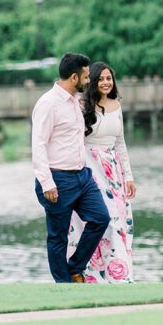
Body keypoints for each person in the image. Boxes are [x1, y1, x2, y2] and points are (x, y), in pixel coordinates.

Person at [32, 53, 110, 283]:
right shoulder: (48, 103)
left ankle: (74, 268)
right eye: (86, 77)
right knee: (58, 237)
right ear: (74, 77)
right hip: (58, 179)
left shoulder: (75, 101)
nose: (89, 81)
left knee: (100, 218)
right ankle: (63, 284)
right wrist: (47, 182)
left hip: (82, 177)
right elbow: (38, 145)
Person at [67, 62, 137, 283]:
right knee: (97, 221)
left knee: (117, 221)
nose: (106, 82)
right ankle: (89, 274)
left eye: (109, 78)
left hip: (113, 171)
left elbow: (121, 143)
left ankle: (119, 275)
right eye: (101, 79)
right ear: (93, 81)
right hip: (89, 168)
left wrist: (129, 176)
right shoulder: (81, 106)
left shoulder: (116, 105)